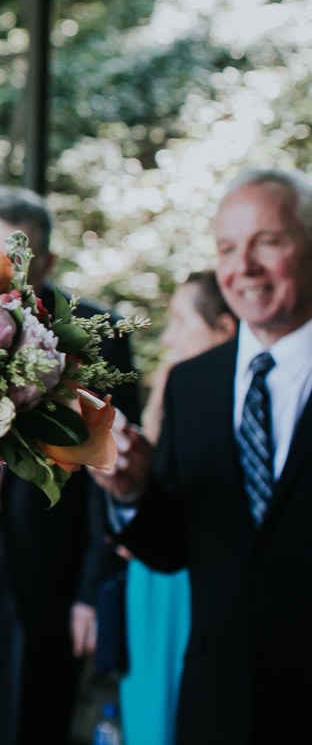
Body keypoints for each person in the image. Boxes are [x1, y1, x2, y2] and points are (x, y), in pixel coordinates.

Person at [94, 168, 312, 745]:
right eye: (227, 248)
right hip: (214, 705)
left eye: (269, 241)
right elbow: (172, 549)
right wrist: (133, 491)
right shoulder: (190, 385)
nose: (245, 266)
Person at [0, 187, 132, 745]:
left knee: (19, 720)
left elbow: (109, 475)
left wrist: (92, 588)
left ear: (49, 264)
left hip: (38, 561)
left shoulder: (94, 336)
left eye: (17, 260)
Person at [121, 273, 234, 745]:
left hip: (193, 580)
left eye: (182, 322)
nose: (167, 338)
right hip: (150, 575)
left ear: (225, 331)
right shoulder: (174, 388)